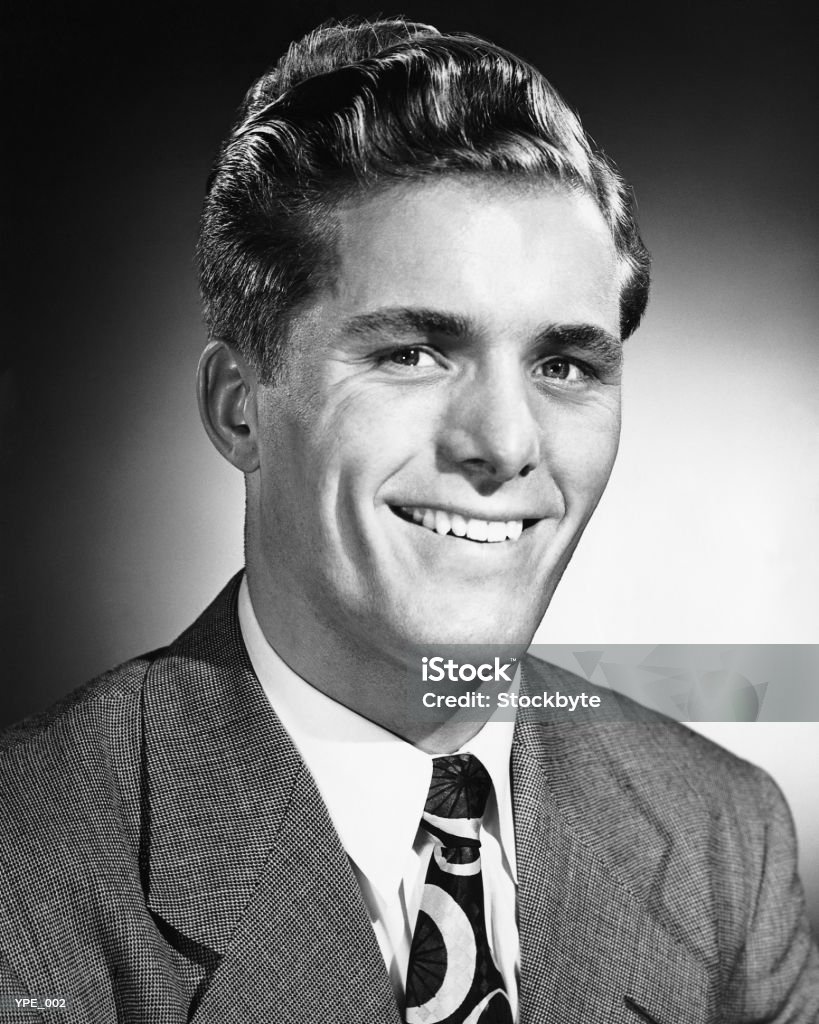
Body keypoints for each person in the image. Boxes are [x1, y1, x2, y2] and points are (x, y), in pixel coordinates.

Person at [1, 17, 817, 1024]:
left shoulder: (726, 839)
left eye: (565, 365)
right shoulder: (24, 869)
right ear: (238, 406)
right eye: (413, 353)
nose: (506, 442)